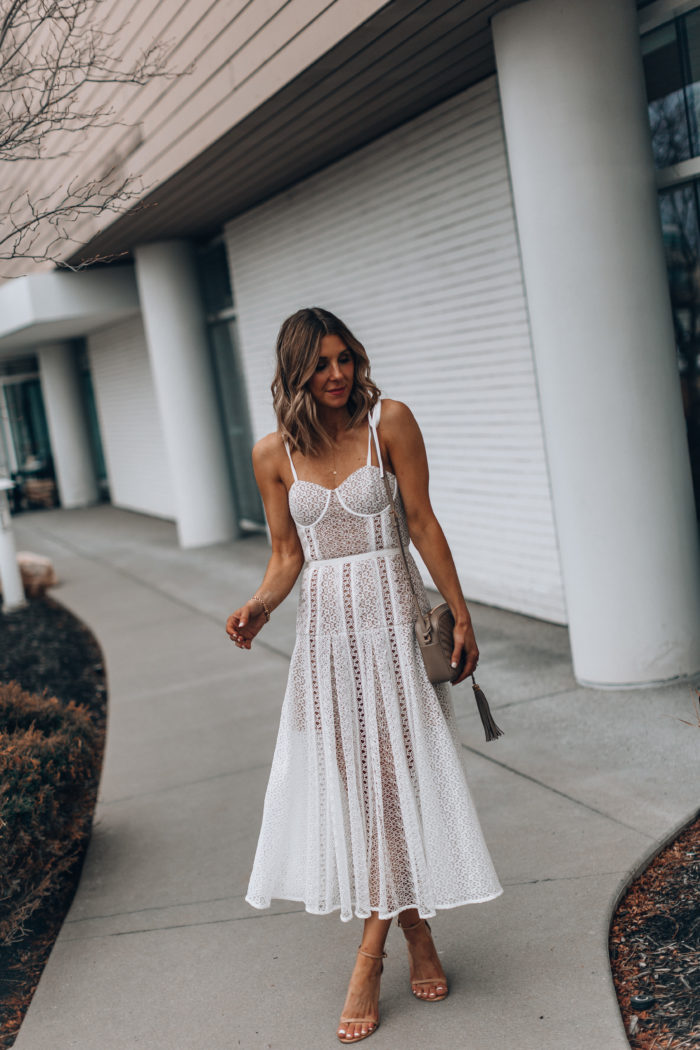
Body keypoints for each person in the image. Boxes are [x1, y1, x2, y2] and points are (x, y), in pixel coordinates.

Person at [226, 307, 502, 1043]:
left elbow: (423, 523)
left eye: (344, 358)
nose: (338, 374)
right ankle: (417, 929)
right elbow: (288, 554)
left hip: (393, 626)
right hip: (327, 640)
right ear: (295, 373)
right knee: (362, 790)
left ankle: (368, 955)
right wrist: (258, 606)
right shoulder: (272, 453)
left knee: (397, 782)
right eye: (320, 364)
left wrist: (462, 613)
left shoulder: (391, 423)